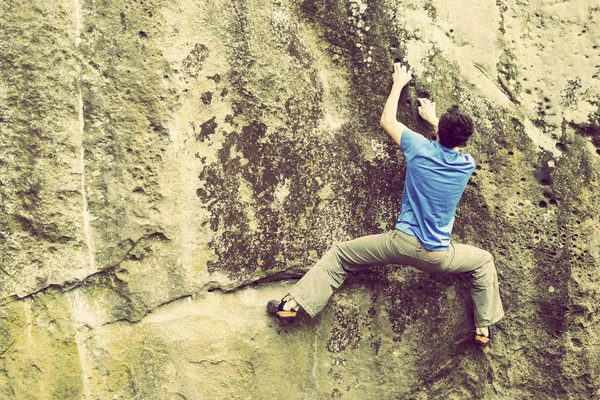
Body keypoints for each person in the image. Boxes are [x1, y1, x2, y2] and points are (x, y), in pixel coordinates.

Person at [267, 61, 504, 347]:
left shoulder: (419, 148)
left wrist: (398, 85)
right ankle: (483, 330)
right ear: (464, 141)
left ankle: (291, 304)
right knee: (483, 261)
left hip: (400, 244)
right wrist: (435, 120)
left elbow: (387, 122)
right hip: (439, 256)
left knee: (340, 256)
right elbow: (451, 142)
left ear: (439, 132)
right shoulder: (467, 164)